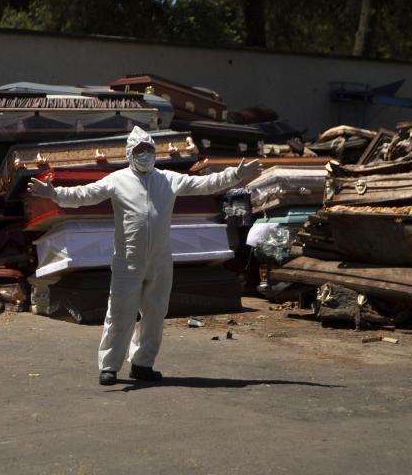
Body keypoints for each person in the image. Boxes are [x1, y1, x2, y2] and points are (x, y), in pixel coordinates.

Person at [28, 126, 262, 386]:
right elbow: (85, 195)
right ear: (129, 154)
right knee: (119, 313)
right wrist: (55, 194)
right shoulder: (117, 180)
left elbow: (205, 184)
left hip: (160, 260)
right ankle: (109, 366)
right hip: (128, 260)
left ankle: (142, 363)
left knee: (154, 313)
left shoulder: (168, 179)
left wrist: (236, 175)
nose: (145, 155)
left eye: (149, 150)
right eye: (139, 151)